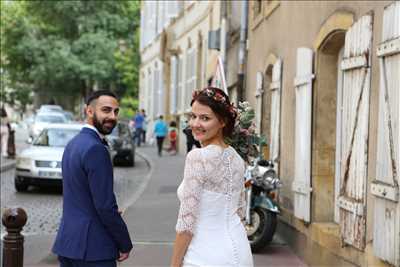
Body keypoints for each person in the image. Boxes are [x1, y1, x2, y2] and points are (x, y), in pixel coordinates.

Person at [171, 87, 253, 266]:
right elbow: (239, 213)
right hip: (241, 252)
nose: (195, 123)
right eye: (193, 116)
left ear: (222, 121)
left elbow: (186, 223)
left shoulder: (197, 157)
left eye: (205, 118)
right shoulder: (237, 159)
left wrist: (175, 264)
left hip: (205, 255)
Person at [52, 90, 133, 267]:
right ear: (89, 111)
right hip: (94, 249)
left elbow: (81, 194)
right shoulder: (96, 149)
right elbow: (105, 206)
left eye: (116, 111)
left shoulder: (73, 144)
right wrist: (124, 243)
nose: (112, 116)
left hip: (68, 244)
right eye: (106, 110)